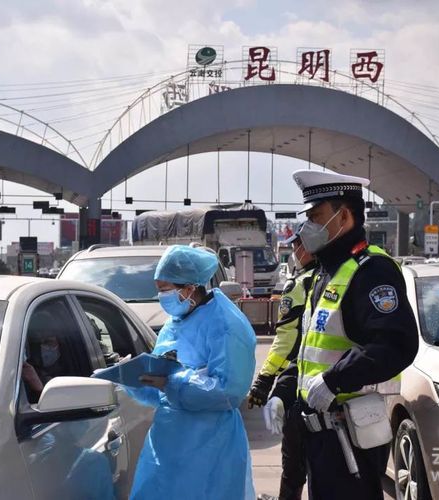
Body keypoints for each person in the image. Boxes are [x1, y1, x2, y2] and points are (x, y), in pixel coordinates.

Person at [291, 170, 419, 500]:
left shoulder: (370, 270)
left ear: (344, 216)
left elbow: (395, 344)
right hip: (320, 433)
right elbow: (313, 348)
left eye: (315, 217)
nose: (306, 228)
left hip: (348, 434)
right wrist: (286, 393)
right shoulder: (326, 271)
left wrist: (335, 380)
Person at [123, 245, 257, 500]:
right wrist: (135, 379)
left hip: (210, 444)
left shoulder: (226, 325)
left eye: (165, 289)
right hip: (168, 440)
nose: (161, 297)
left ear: (189, 288)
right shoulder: (176, 322)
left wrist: (171, 383)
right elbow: (161, 384)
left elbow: (229, 391)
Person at [248, 224, 315, 500]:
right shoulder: (339, 276)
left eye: (297, 245)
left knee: (294, 464)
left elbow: (285, 339)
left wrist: (264, 380)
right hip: (342, 385)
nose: (295, 251)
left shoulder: (299, 285)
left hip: (299, 385)